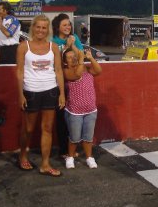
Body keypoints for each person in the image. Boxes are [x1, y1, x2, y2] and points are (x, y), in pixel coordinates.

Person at [16, 15, 65, 176]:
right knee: (28, 129)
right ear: (33, 28)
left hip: (50, 91)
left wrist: (62, 93)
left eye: (44, 28)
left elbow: (58, 71)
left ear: (48, 30)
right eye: (38, 27)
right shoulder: (24, 47)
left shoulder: (54, 47)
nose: (41, 30)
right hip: (31, 91)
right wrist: (20, 94)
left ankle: (45, 164)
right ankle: (23, 154)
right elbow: (19, 72)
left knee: (47, 128)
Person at [62, 48, 102, 169]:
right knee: (74, 138)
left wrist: (90, 58)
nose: (73, 58)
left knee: (88, 137)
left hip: (91, 110)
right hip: (74, 112)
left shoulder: (86, 69)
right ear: (65, 62)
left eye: (74, 55)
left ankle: (89, 157)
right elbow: (77, 75)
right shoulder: (67, 71)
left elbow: (98, 70)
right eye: (69, 57)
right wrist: (81, 60)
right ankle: (70, 157)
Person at [51, 13, 83, 158]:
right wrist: (66, 47)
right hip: (58, 83)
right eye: (64, 25)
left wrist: (72, 46)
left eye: (69, 24)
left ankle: (75, 147)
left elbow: (79, 57)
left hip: (74, 83)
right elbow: (55, 61)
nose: (68, 27)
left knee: (74, 116)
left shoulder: (74, 38)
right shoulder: (53, 41)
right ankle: (63, 149)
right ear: (57, 27)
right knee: (61, 118)